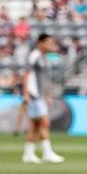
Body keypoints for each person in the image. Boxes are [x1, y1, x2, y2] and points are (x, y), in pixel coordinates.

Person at [22, 33, 65, 164]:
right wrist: (25, 93)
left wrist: (48, 94)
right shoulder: (34, 56)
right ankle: (47, 153)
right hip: (34, 95)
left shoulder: (42, 57)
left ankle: (28, 154)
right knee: (44, 123)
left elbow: (43, 78)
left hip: (39, 94)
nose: (51, 45)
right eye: (48, 42)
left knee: (34, 125)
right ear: (40, 43)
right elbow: (26, 74)